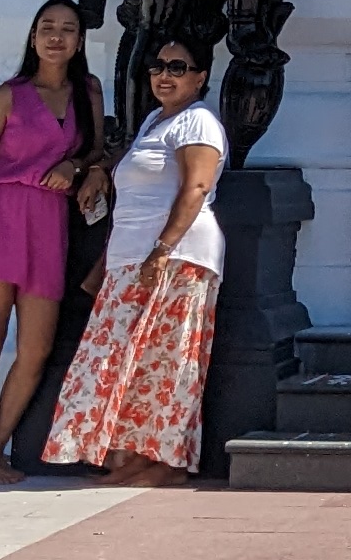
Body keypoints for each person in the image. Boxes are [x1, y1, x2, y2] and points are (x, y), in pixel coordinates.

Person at [42, 36, 225, 486]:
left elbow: (195, 190)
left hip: (176, 258)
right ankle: (132, 456)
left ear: (200, 77)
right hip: (131, 258)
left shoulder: (198, 122)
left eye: (178, 67)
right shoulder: (154, 122)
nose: (165, 74)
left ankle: (166, 463)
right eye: (158, 65)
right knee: (126, 362)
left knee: (166, 363)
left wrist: (162, 250)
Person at [0, 0, 105, 484]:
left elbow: (97, 147)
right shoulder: (7, 96)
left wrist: (77, 167)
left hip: (50, 223)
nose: (56, 37)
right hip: (0, 216)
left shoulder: (89, 91)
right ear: (33, 37)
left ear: (80, 40)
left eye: (67, 29)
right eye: (46, 28)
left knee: (35, 348)